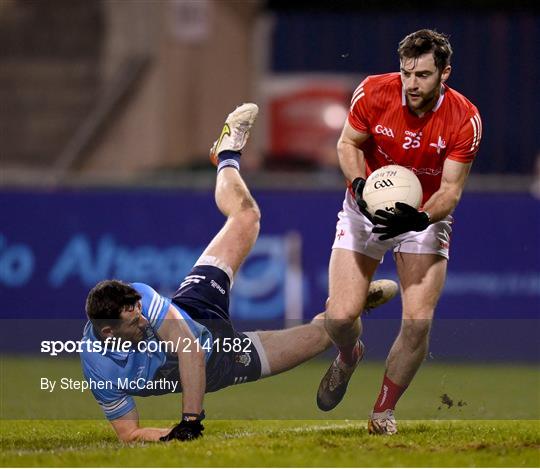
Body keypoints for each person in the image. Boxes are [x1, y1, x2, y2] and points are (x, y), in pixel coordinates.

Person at [80, 103, 398, 443]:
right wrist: (170, 436)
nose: (143, 322)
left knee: (246, 217)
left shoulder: (138, 298)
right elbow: (129, 433)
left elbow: (189, 348)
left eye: (140, 315)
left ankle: (226, 154)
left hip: (193, 312)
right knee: (325, 333)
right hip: (224, 362)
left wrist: (190, 420)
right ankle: (350, 307)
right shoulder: (100, 369)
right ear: (109, 332)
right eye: (134, 324)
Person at [316, 29, 482, 435]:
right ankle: (349, 353)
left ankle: (382, 411)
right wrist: (358, 186)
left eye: (423, 75)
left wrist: (420, 219)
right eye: (407, 72)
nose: (411, 83)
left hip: (423, 216)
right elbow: (348, 145)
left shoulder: (465, 118)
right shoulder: (373, 92)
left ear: (445, 73)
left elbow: (451, 191)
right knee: (338, 318)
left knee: (418, 322)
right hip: (365, 212)